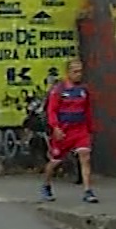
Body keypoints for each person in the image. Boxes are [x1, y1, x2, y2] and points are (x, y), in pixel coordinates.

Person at [41, 58, 98, 204]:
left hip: (80, 129)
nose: (79, 74)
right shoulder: (59, 90)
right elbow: (51, 110)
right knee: (55, 161)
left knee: (85, 157)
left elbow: (88, 110)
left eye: (80, 71)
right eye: (75, 72)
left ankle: (88, 191)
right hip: (63, 131)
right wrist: (55, 127)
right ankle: (46, 185)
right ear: (68, 73)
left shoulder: (84, 90)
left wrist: (91, 129)